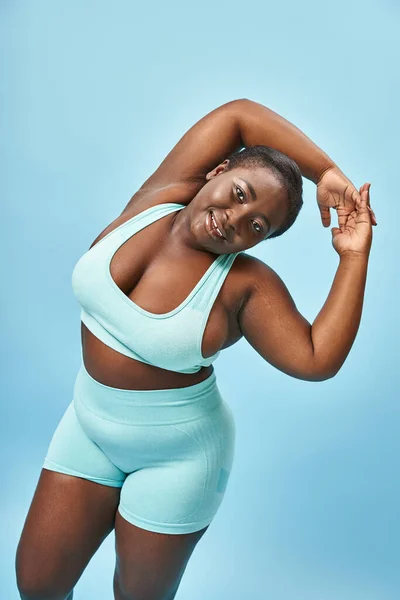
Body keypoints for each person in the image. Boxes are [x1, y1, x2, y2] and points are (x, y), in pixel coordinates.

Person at [15, 98, 376, 600]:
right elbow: (240, 114)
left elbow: (316, 359)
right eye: (239, 193)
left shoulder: (243, 286)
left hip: (178, 457)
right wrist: (327, 173)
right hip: (89, 424)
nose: (235, 218)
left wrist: (353, 257)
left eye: (256, 226)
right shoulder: (162, 195)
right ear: (218, 170)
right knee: (37, 585)